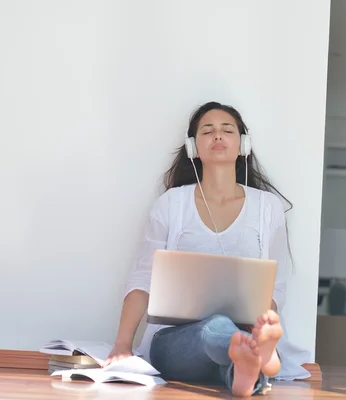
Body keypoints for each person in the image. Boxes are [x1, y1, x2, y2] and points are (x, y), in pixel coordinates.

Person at [104, 101, 311, 396]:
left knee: (236, 346)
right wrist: (122, 346)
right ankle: (256, 357)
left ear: (243, 145)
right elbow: (142, 279)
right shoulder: (171, 204)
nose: (217, 136)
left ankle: (246, 374)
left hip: (245, 331)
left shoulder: (268, 208)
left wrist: (262, 324)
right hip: (176, 342)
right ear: (193, 148)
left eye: (227, 130)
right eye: (207, 131)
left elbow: (274, 289)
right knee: (217, 329)